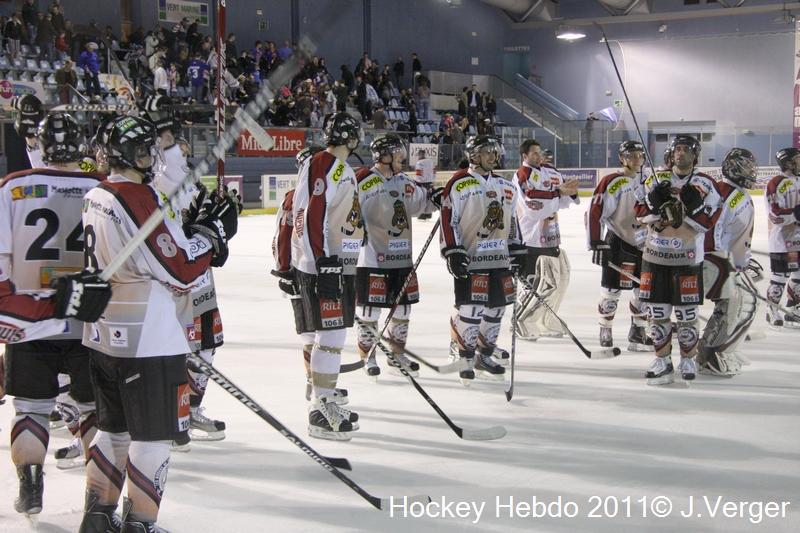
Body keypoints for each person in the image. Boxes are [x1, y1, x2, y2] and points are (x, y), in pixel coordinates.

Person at [77, 115, 238, 531]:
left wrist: (192, 229)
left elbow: (153, 247)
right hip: (147, 341)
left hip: (103, 334)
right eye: (146, 150)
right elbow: (181, 270)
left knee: (113, 432)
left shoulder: (97, 193)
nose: (151, 156)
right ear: (130, 154)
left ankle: (97, 518)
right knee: (152, 440)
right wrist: (211, 235)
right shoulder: (137, 196)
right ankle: (140, 524)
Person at [1, 112, 111, 518]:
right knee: (95, 412)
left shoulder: (13, 186)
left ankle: (31, 487)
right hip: (90, 321)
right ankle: (97, 499)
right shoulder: (102, 188)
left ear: (41, 145)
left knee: (31, 409)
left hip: (29, 323)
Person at [146, 95, 230, 446]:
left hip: (202, 282)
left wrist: (219, 222)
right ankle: (173, 414)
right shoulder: (155, 184)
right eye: (174, 147)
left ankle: (192, 408)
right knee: (176, 351)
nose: (182, 153)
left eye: (182, 147)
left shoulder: (191, 185)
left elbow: (211, 231)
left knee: (208, 346)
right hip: (176, 284)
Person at [290, 113, 363, 440]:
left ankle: (325, 396)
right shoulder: (323, 163)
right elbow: (310, 215)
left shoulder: (338, 167)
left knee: (334, 336)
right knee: (330, 336)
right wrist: (322, 262)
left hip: (337, 264)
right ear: (352, 137)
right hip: (326, 266)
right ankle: (320, 409)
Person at [634, 135, 721, 385]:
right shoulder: (654, 179)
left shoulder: (706, 184)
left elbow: (709, 222)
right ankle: (662, 360)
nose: (681, 153)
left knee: (687, 314)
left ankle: (687, 359)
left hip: (688, 259)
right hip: (655, 257)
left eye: (686, 149)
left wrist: (694, 208)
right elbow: (638, 213)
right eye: (677, 149)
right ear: (671, 154)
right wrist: (653, 204)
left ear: (695, 155)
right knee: (657, 314)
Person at [441, 135, 524, 385]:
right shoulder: (459, 184)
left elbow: (512, 222)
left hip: (499, 260)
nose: (493, 156)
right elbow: (449, 220)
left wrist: (517, 250)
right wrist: (453, 251)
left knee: (497, 308)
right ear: (473, 155)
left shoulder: (506, 186)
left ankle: (484, 356)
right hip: (472, 260)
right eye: (487, 151)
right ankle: (465, 358)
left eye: (495, 152)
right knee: (471, 309)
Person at [354, 135, 439, 379]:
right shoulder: (363, 180)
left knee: (402, 310)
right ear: (384, 156)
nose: (402, 158)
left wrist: (437, 198)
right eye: (397, 154)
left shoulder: (404, 182)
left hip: (402, 258)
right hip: (372, 259)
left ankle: (396, 355)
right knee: (370, 312)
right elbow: (346, 211)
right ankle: (368, 356)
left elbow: (422, 204)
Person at [697, 148, 759, 375]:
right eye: (746, 166)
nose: (751, 171)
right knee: (741, 304)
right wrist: (722, 262)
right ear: (734, 168)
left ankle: (719, 350)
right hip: (718, 261)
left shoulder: (735, 193)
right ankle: (712, 354)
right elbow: (711, 229)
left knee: (742, 303)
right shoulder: (727, 193)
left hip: (725, 260)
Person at [586, 141, 651, 350]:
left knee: (643, 291)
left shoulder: (649, 181)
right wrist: (596, 242)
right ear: (622, 159)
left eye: (640, 155)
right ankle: (605, 328)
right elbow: (595, 212)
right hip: (619, 242)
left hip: (645, 244)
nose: (637, 159)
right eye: (631, 155)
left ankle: (638, 331)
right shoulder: (613, 181)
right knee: (611, 291)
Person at [513, 139, 579, 340]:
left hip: (551, 235)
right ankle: (521, 321)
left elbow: (564, 197)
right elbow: (532, 205)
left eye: (539, 152)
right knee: (538, 283)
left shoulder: (550, 171)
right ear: (525, 156)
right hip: (531, 239)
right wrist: (558, 193)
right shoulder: (522, 175)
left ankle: (545, 320)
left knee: (559, 280)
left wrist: (569, 191)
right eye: (534, 153)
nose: (539, 156)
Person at [764, 147, 800, 328]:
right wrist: (796, 213)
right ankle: (772, 309)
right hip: (783, 241)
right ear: (788, 163)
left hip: (798, 239)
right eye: (798, 159)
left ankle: (794, 309)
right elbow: (774, 214)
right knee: (780, 277)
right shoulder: (777, 182)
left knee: (799, 274)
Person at [414, 148, 436, 220]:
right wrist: (432, 180)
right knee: (429, 199)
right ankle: (429, 214)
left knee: (422, 199)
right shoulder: (431, 162)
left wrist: (416, 182)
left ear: (420, 154)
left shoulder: (419, 163)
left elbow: (418, 174)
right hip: (430, 182)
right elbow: (434, 172)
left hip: (422, 183)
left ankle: (422, 214)